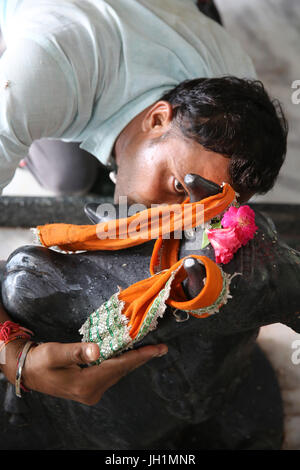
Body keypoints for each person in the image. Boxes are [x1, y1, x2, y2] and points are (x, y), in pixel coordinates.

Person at [0, 0, 288, 406]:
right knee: (70, 176)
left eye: (203, 206)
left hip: (177, 23)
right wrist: (12, 354)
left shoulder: (229, 68)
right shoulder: (45, 70)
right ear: (156, 118)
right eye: (175, 185)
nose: (170, 218)